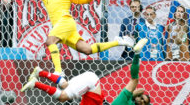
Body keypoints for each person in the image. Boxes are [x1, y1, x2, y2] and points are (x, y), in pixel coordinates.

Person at [3, 0, 134, 75]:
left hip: (65, 22)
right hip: (65, 29)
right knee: (87, 50)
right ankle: (119, 41)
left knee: (50, 41)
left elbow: (83, 1)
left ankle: (59, 71)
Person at [20, 38, 149, 105]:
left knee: (65, 86)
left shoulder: (127, 99)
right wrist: (136, 54)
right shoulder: (127, 100)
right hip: (92, 84)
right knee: (63, 97)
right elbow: (137, 84)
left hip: (90, 85)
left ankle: (40, 72)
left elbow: (139, 89)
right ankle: (36, 83)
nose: (142, 101)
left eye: (143, 102)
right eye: (143, 100)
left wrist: (136, 97)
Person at [112, 38, 150, 105]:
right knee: (134, 79)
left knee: (134, 80)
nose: (142, 101)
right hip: (124, 101)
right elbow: (141, 90)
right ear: (137, 96)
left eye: (144, 102)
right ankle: (137, 53)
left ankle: (137, 52)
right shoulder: (128, 97)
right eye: (142, 98)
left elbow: (140, 91)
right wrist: (134, 95)